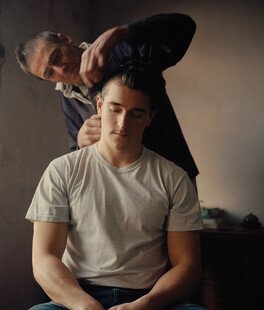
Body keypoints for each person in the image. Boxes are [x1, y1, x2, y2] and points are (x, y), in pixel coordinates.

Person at [25, 63, 205, 310]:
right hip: (77, 295)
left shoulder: (173, 178)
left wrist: (145, 304)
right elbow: (44, 259)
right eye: (115, 109)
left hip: (149, 297)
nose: (123, 123)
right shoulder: (62, 171)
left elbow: (188, 265)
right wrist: (84, 305)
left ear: (150, 117)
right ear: (99, 105)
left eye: (136, 113)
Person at [15, 13, 199, 184]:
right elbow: (79, 153)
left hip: (173, 173)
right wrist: (80, 143)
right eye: (49, 73)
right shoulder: (67, 98)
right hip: (126, 188)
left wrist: (120, 33)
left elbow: (185, 27)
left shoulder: (121, 49)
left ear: (66, 40)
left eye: (56, 56)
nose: (60, 70)